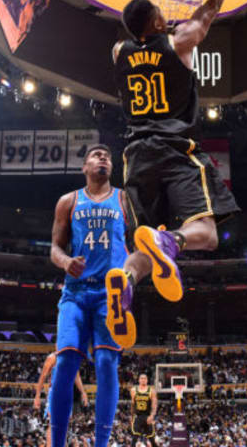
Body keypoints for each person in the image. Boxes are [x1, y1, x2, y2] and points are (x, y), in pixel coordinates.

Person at [104, 0, 247, 347]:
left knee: (143, 243)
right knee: (205, 233)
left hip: (135, 156)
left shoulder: (119, 52)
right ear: (156, 23)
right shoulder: (180, 40)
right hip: (175, 149)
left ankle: (127, 279)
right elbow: (211, 7)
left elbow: (130, 34)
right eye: (158, 13)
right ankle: (171, 241)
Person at [47, 144, 129, 447]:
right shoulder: (68, 201)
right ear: (84, 167)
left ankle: (102, 444)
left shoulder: (124, 199)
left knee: (107, 361)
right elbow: (54, 248)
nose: (103, 157)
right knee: (66, 361)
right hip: (76, 293)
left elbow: (138, 244)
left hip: (111, 294)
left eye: (107, 155)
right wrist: (66, 261)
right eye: (96, 155)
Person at [32, 351, 89, 447]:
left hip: (68, 393)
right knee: (53, 423)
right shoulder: (52, 357)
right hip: (55, 392)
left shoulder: (73, 358)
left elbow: (77, 376)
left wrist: (83, 393)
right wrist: (37, 396)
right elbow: (42, 377)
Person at [130, 373, 157, 446]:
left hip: (147, 416)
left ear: (147, 380)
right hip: (138, 416)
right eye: (141, 378)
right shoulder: (133, 390)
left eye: (145, 378)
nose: (143, 380)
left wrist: (152, 416)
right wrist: (131, 417)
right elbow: (132, 404)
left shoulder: (151, 391)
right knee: (134, 438)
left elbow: (154, 404)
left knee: (152, 439)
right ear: (139, 380)